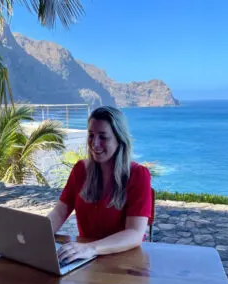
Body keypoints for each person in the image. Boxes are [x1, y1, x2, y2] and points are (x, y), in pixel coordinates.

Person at [47, 106, 153, 265]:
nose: (94, 144)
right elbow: (60, 212)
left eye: (103, 137)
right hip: (85, 261)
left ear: (119, 138)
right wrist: (37, 236)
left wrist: (90, 248)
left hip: (124, 262)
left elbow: (135, 233)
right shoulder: (80, 170)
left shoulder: (138, 175)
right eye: (91, 135)